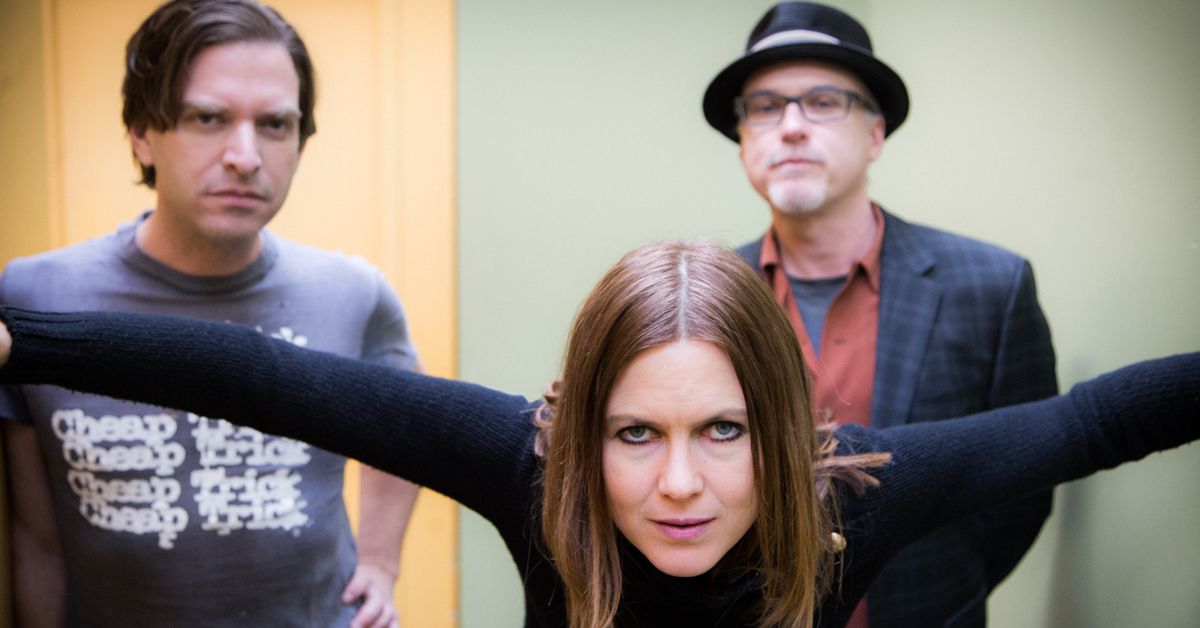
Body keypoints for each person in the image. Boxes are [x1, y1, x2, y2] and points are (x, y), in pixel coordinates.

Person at [0, 240, 1196, 628]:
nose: (678, 483)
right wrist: (24, 345)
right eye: (633, 433)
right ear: (579, 428)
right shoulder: (531, 467)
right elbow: (272, 380)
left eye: (722, 429)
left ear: (785, 429)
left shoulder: (851, 497)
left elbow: (1092, 420)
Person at [0, 1, 419, 626]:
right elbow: (36, 541)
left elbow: (408, 429)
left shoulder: (354, 295)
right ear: (142, 134)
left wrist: (381, 562)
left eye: (274, 124)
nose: (245, 156)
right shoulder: (34, 297)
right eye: (208, 118)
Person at [702, 3, 1059, 625]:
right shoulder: (704, 297)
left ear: (875, 133)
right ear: (742, 141)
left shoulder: (991, 288)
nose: (791, 126)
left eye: (823, 102)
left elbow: (1023, 480)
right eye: (765, 106)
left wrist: (943, 594)